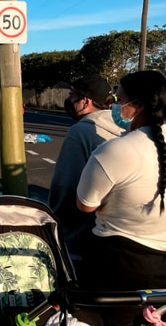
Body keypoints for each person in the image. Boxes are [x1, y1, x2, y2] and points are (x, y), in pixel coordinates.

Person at [77, 70, 166, 325]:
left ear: (138, 106)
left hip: (119, 264)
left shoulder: (115, 150)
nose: (116, 105)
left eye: (120, 98)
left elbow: (84, 204)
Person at [48, 74, 121, 278]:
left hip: (83, 237)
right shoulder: (126, 130)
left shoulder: (80, 132)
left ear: (86, 101)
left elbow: (65, 187)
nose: (68, 101)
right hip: (117, 235)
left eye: (72, 96)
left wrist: (56, 225)